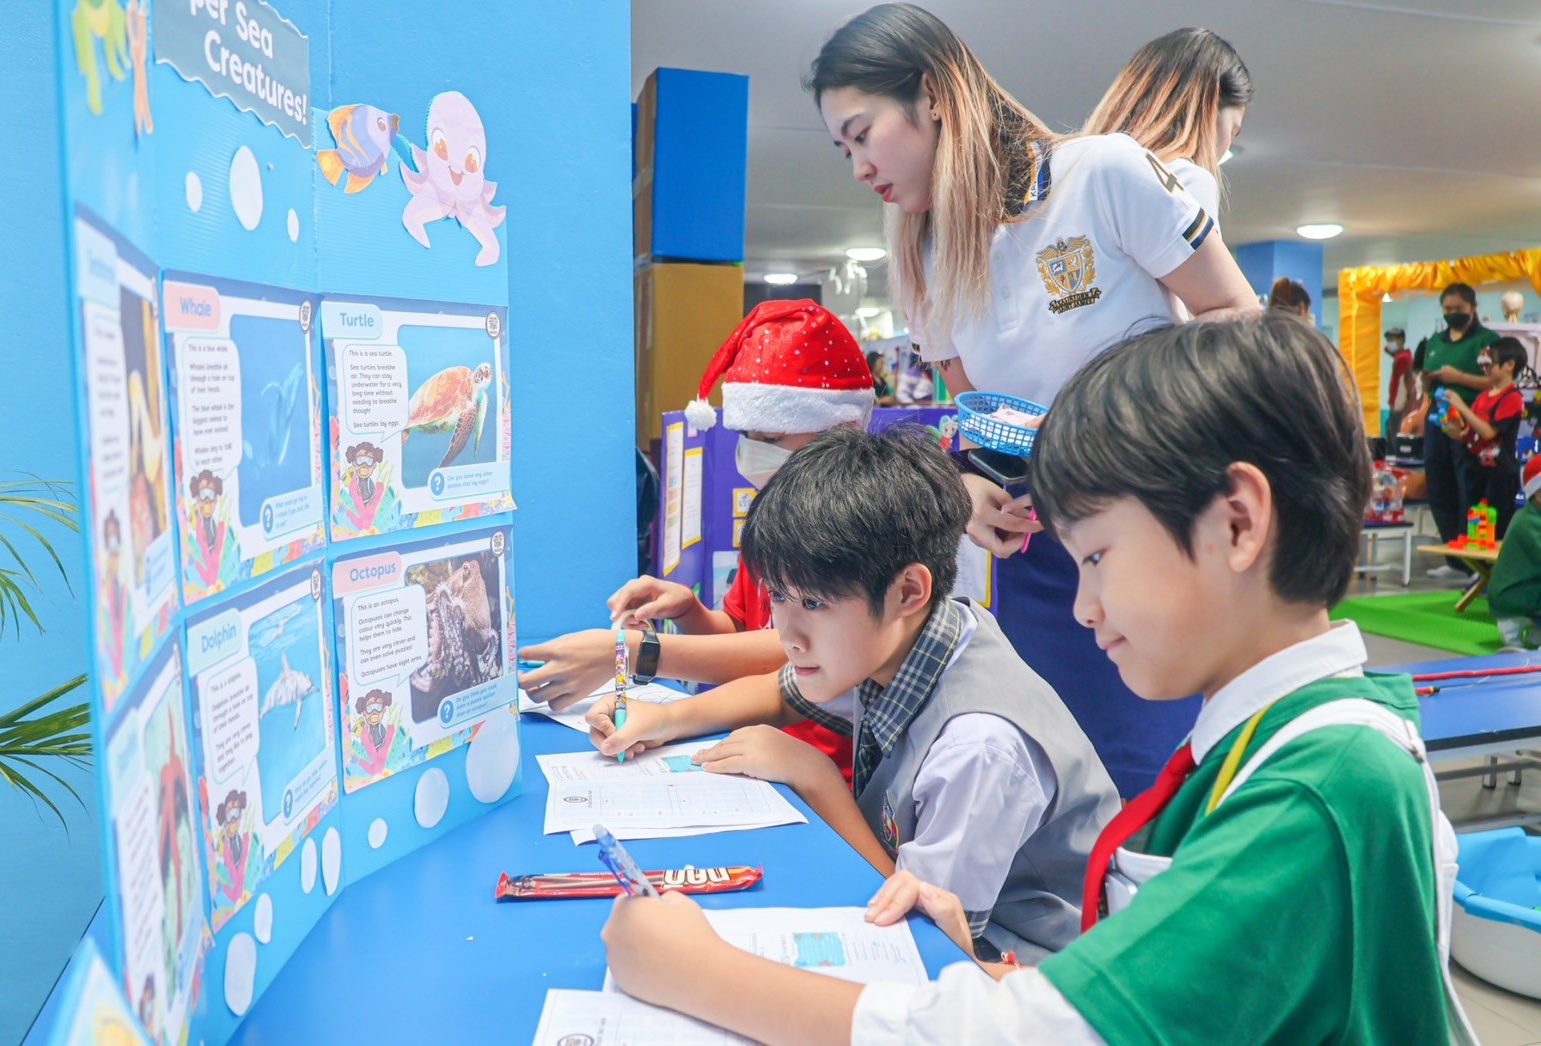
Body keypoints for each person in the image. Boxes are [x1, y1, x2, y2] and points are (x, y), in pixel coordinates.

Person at [600, 314, 1476, 1046]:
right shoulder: (1268, 747)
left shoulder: (1320, 789)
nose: (1085, 608)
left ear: (1238, 524)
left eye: (1098, 557)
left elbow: (1047, 1034)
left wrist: (698, 973)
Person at [804, 2, 1260, 796]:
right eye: (842, 149)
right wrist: (971, 487)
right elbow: (979, 414)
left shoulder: (1102, 175)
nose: (858, 169)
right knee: (1043, 785)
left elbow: (1236, 317)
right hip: (1038, 559)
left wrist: (1114, 427)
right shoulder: (923, 253)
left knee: (1149, 789)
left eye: (862, 134)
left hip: (1155, 538)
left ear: (931, 94)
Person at [590, 425, 1118, 962]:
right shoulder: (912, 635)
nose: (789, 636)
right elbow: (780, 692)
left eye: (814, 604)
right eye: (778, 596)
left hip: (1015, 965)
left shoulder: (979, 749)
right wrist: (663, 720)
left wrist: (816, 777)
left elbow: (925, 933)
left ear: (908, 591)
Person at [520, 299, 870, 778]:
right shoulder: (773, 519)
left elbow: (794, 648)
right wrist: (688, 612)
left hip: (827, 772)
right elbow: (748, 642)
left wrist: (629, 653)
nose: (753, 455)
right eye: (747, 437)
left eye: (771, 439)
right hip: (760, 753)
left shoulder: (857, 531)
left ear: (842, 430)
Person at [1081, 27, 1251, 233]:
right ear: (1207, 113)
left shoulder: (1073, 179)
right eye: (1232, 131)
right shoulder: (1185, 182)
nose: (1226, 146)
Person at [1418, 282, 1501, 578]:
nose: (1453, 313)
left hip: (1470, 418)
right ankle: (1452, 555)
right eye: (1448, 309)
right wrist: (1427, 384)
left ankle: (1472, 559)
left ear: (1473, 308)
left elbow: (1496, 382)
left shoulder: (1487, 341)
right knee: (1438, 484)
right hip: (1437, 418)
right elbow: (1427, 385)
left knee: (1468, 485)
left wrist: (1459, 377)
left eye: (1459, 309)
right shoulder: (1435, 342)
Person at [1445, 336, 1528, 537]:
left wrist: (1462, 405)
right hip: (1475, 470)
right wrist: (1452, 428)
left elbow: (1489, 432)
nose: (1486, 368)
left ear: (1509, 365)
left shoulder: (1513, 397)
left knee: (1494, 527)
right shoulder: (1483, 397)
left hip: (1499, 474)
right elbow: (1468, 433)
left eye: (1491, 363)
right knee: (1472, 524)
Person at [1489, 456, 1541, 651]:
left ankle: (1535, 635)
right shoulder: (1529, 522)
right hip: (1514, 597)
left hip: (1524, 591)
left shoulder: (1530, 516)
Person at [1383, 326, 1417, 436]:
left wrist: (1394, 405)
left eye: (1392, 340)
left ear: (1401, 340)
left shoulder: (1402, 359)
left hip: (1399, 405)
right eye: (1388, 340)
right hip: (1400, 405)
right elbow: (1386, 349)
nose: (1389, 343)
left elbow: (1398, 385)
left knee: (1394, 436)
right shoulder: (1404, 355)